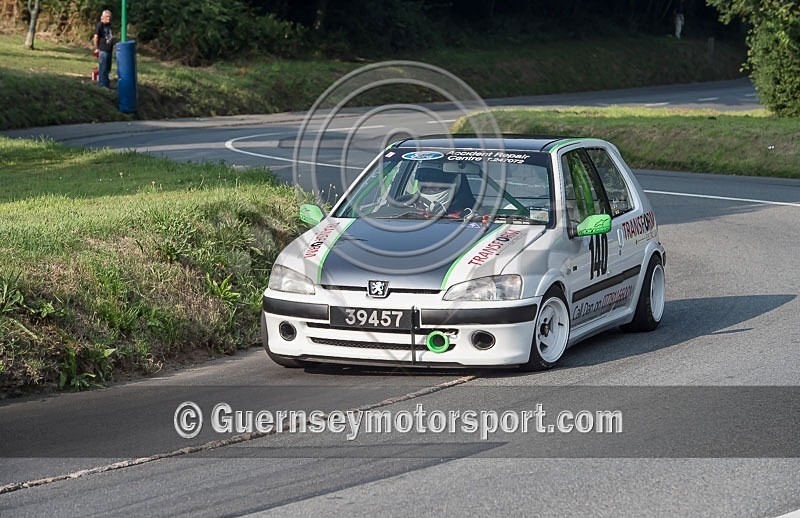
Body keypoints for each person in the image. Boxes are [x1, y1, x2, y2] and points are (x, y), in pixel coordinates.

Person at [93, 10, 114, 88]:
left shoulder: (109, 25)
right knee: (103, 69)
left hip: (109, 50)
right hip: (103, 50)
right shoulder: (100, 25)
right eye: (107, 17)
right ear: (103, 17)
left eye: (110, 17)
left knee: (108, 69)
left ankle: (107, 85)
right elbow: (96, 37)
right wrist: (96, 48)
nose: (109, 19)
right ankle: (102, 86)